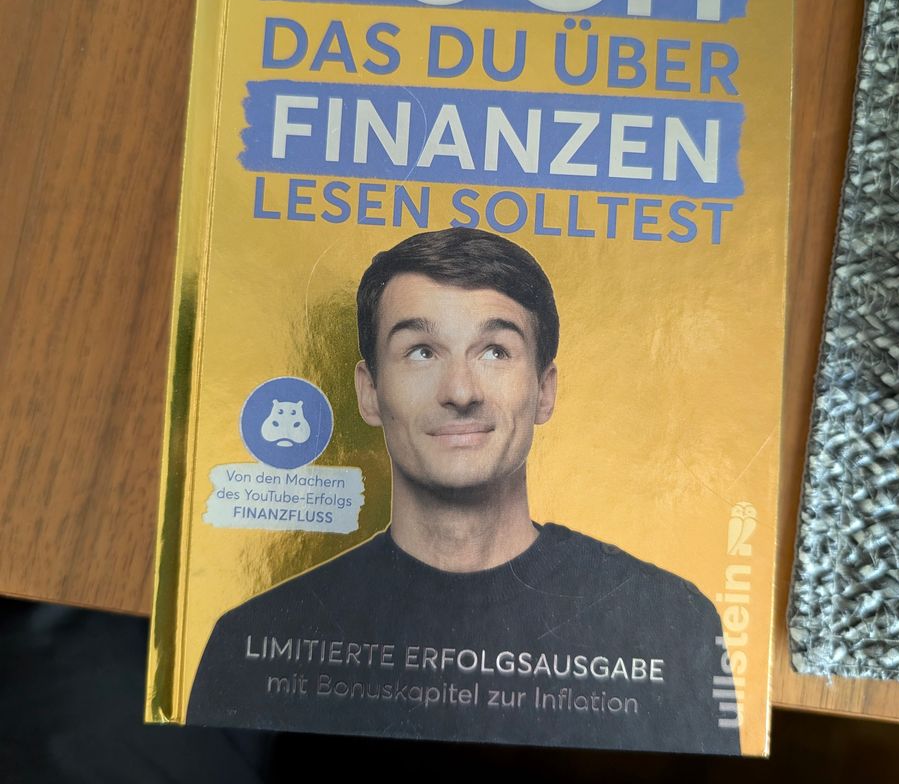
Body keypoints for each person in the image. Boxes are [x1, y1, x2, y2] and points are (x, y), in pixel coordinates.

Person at [188, 228, 740, 754]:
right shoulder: (254, 641)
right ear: (370, 391)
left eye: (495, 350)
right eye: (422, 351)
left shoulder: (669, 623)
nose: (459, 391)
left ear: (544, 390)